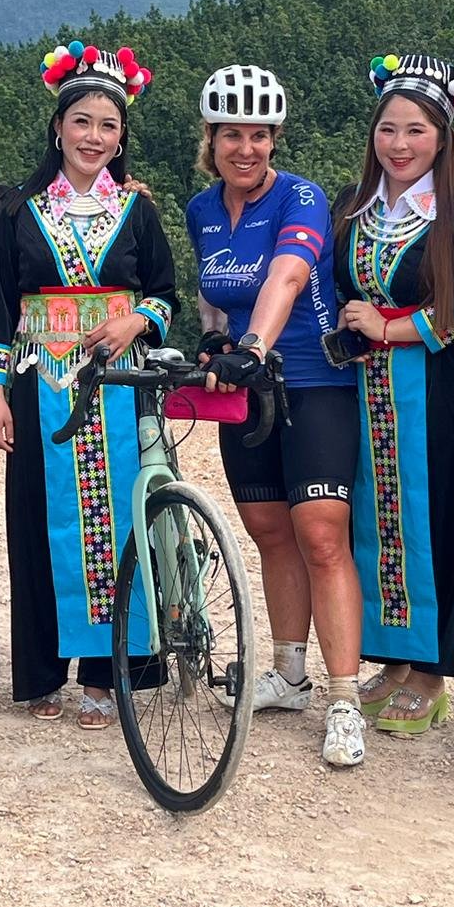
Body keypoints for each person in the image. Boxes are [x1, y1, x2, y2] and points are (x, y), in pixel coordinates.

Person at [0, 40, 175, 729]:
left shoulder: (138, 210)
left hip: (120, 384)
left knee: (120, 523)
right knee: (38, 521)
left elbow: (165, 292)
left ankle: (105, 674)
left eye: (108, 125)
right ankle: (40, 673)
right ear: (58, 127)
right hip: (40, 383)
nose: (94, 136)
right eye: (82, 121)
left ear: (122, 137)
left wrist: (136, 320)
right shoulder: (18, 209)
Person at [184, 64, 366, 768]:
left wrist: (255, 346)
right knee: (268, 531)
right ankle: (289, 674)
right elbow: (215, 291)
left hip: (313, 382)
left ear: (274, 140)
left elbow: (287, 275)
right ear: (211, 138)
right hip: (246, 385)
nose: (246, 149)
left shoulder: (301, 196)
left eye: (259, 135)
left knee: (321, 535)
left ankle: (343, 698)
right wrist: (215, 339)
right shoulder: (202, 209)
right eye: (232, 134)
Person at [331, 53, 454, 736]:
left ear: (444, 138)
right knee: (377, 523)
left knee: (433, 518)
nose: (399, 145)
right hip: (363, 391)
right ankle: (395, 656)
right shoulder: (354, 205)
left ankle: (431, 671)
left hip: (433, 389)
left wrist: (389, 327)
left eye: (417, 131)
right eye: (388, 129)